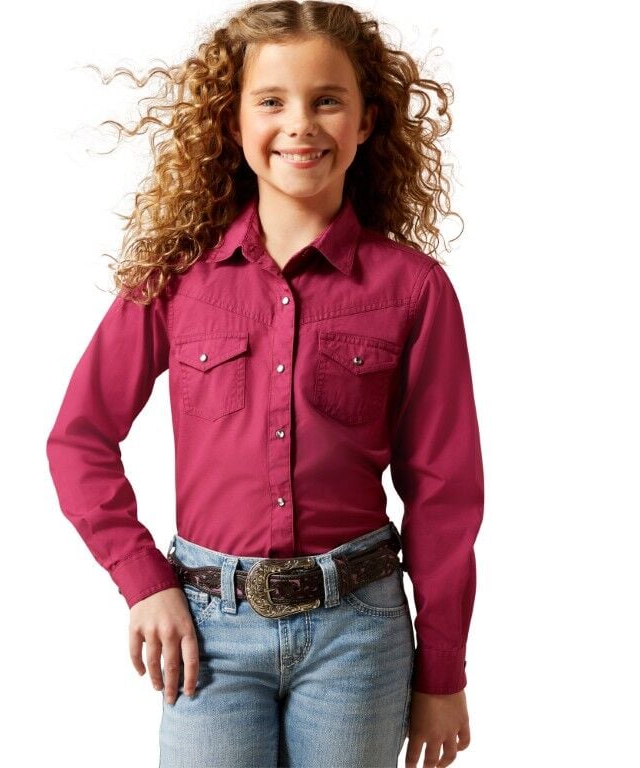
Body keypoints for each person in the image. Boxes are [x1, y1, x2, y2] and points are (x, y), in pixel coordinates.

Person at [45, 2, 484, 766]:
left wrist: (442, 673)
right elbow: (79, 439)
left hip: (359, 635)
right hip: (206, 634)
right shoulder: (175, 281)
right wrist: (145, 581)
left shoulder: (414, 289)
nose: (300, 125)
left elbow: (445, 492)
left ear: (367, 121)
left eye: (327, 100)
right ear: (234, 121)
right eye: (272, 101)